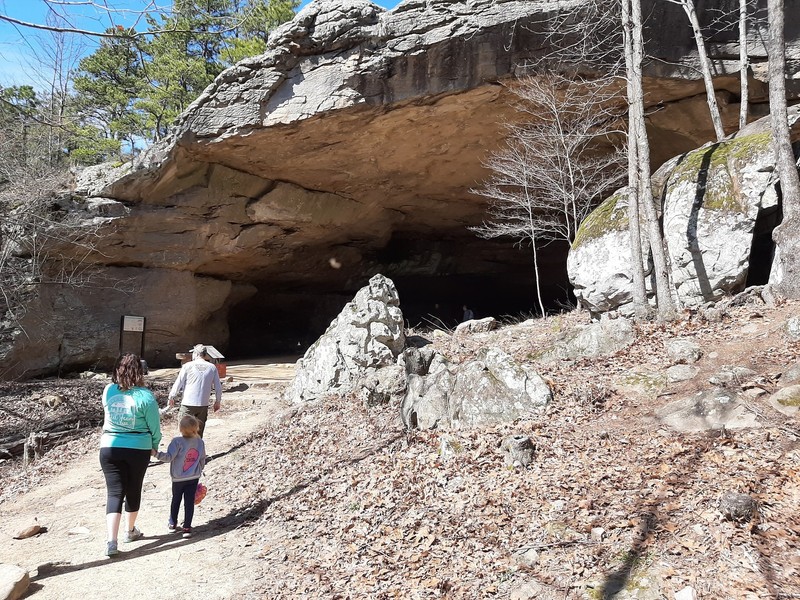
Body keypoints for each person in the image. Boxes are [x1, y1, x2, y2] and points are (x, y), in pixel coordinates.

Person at [100, 353, 162, 557]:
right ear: (140, 372)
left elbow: (108, 415)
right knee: (134, 488)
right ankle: (129, 531)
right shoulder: (146, 397)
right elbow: (155, 427)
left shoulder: (109, 390)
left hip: (110, 446)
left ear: (117, 370)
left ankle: (111, 541)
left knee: (114, 492)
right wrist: (154, 446)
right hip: (138, 447)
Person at [155, 414, 206, 539]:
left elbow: (169, 457)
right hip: (193, 477)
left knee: (176, 499)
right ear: (196, 428)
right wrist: (199, 469)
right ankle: (187, 527)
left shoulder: (177, 442)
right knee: (189, 502)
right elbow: (202, 458)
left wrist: (156, 454)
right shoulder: (199, 442)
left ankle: (173, 523)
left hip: (178, 478)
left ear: (181, 429)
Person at [168, 344, 222, 438]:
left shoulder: (187, 366)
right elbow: (218, 386)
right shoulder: (212, 367)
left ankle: (185, 451)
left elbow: (178, 382)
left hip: (188, 404)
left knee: (184, 430)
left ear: (196, 354)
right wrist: (218, 401)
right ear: (205, 355)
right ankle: (197, 451)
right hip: (203, 404)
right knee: (198, 432)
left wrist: (172, 396)